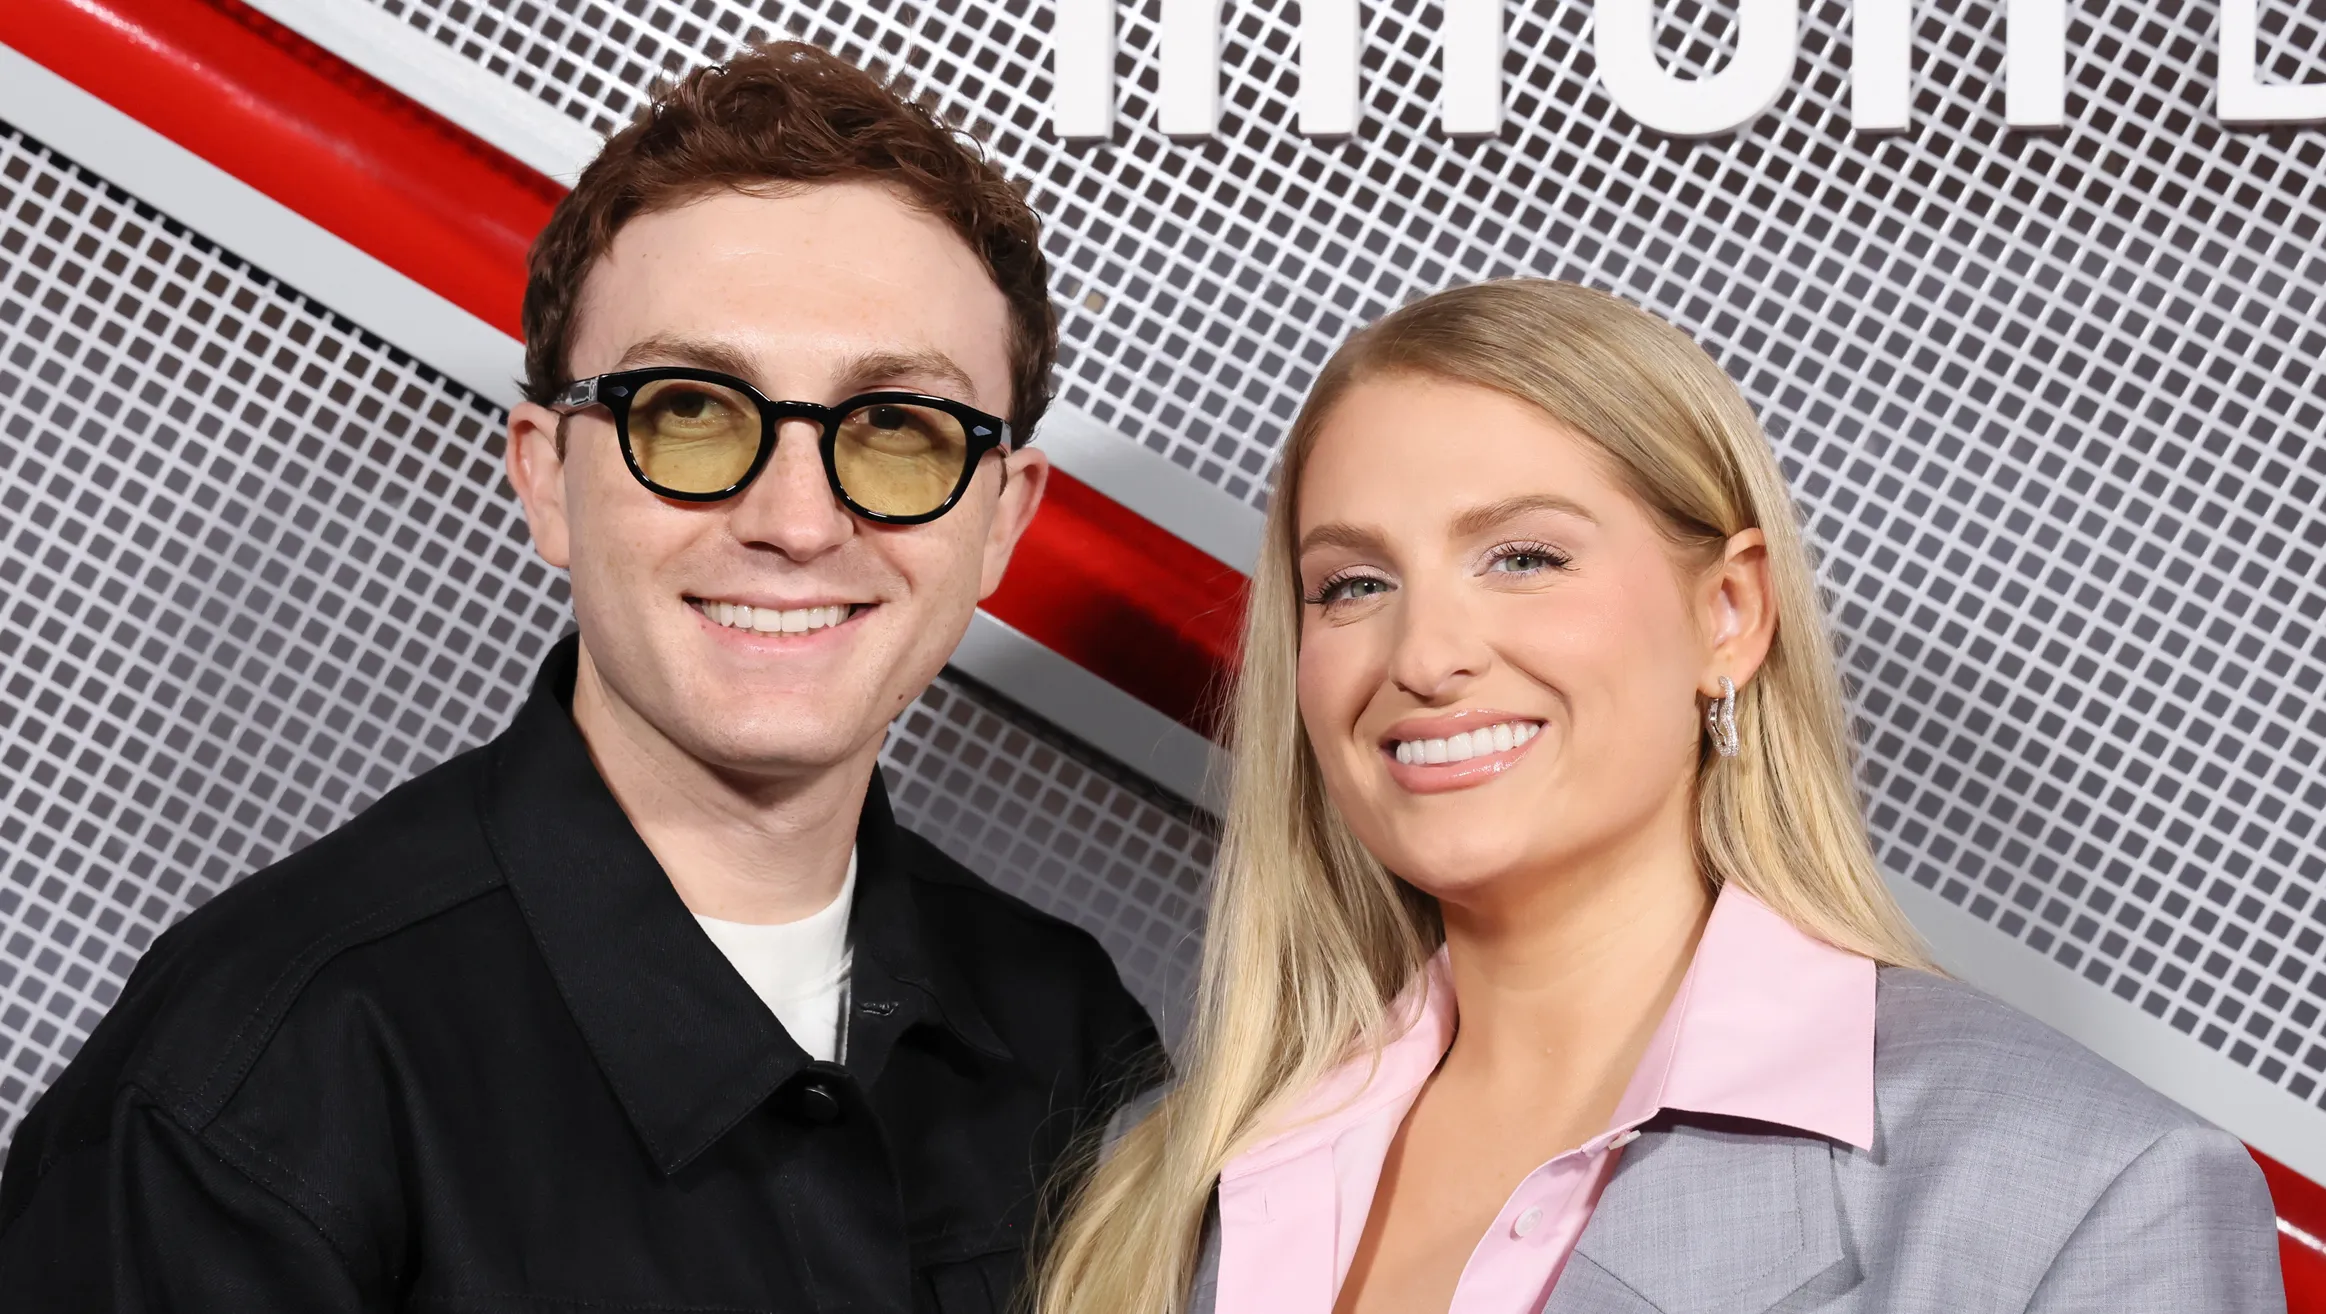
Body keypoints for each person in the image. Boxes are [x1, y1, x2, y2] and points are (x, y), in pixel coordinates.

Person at [0, 41, 1158, 1311]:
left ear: (1000, 520)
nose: (796, 520)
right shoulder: (252, 1085)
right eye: (693, 412)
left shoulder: (1069, 1032)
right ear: (547, 477)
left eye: (894, 428)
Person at [1036, 279, 2284, 1314]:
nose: (1422, 656)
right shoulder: (1167, 1174)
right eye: (1353, 584)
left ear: (1727, 614)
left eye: (1522, 557)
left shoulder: (2085, 1193)